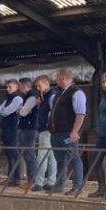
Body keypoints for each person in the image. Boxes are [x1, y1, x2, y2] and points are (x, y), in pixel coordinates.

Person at [47, 67, 86, 196]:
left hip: (68, 132)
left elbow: (80, 114)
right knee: (60, 159)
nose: (55, 80)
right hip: (56, 132)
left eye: (57, 78)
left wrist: (75, 131)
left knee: (74, 158)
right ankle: (60, 184)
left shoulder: (76, 93)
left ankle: (77, 186)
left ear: (63, 78)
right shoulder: (59, 93)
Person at [0, 79, 24, 186]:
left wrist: (2, 111)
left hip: (13, 128)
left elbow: (6, 111)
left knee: (13, 153)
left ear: (16, 87)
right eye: (7, 87)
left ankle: (14, 178)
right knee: (9, 153)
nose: (7, 89)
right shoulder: (8, 98)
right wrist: (2, 111)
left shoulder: (17, 98)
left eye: (10, 87)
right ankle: (12, 177)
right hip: (7, 128)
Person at [31, 75, 58, 192]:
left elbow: (53, 112)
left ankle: (39, 182)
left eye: (39, 85)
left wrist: (48, 124)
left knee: (42, 156)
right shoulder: (45, 96)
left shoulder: (50, 96)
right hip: (50, 130)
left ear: (47, 84)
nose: (37, 88)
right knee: (52, 157)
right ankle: (51, 182)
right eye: (36, 86)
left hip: (46, 130)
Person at [16, 78, 40, 191]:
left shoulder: (31, 96)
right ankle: (31, 179)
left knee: (29, 154)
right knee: (27, 154)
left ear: (24, 86)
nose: (18, 88)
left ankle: (32, 180)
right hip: (26, 127)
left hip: (29, 128)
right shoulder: (28, 96)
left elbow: (23, 112)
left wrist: (20, 109)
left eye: (19, 85)